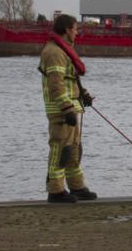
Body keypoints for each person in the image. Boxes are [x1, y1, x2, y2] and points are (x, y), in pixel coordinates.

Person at [39, 14, 97, 203]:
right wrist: (66, 108)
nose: (77, 33)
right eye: (75, 29)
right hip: (61, 111)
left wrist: (84, 95)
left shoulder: (64, 50)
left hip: (71, 107)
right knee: (60, 149)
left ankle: (76, 186)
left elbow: (70, 79)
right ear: (66, 30)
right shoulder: (54, 52)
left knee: (74, 149)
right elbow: (56, 85)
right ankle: (55, 190)